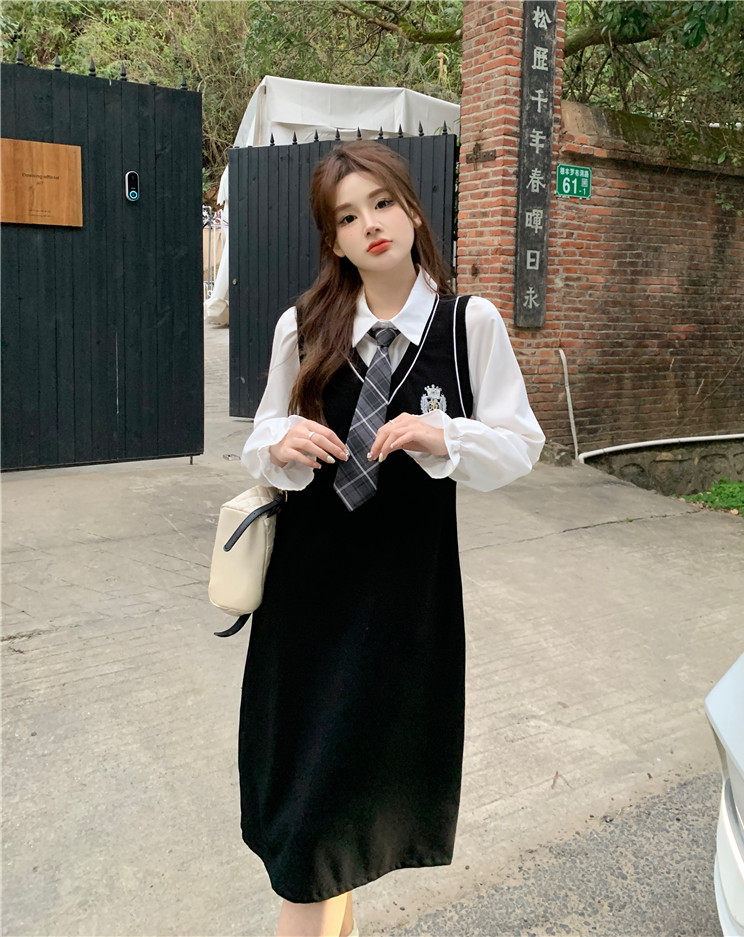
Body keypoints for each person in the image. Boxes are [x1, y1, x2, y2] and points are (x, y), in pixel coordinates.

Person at [238, 139, 546, 937]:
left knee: (338, 819)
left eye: (381, 203)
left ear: (412, 211)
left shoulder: (468, 324)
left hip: (403, 609)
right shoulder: (302, 325)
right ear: (333, 240)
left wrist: (445, 435)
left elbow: (522, 443)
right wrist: (279, 441)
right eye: (347, 217)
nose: (369, 225)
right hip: (305, 607)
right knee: (311, 824)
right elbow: (260, 436)